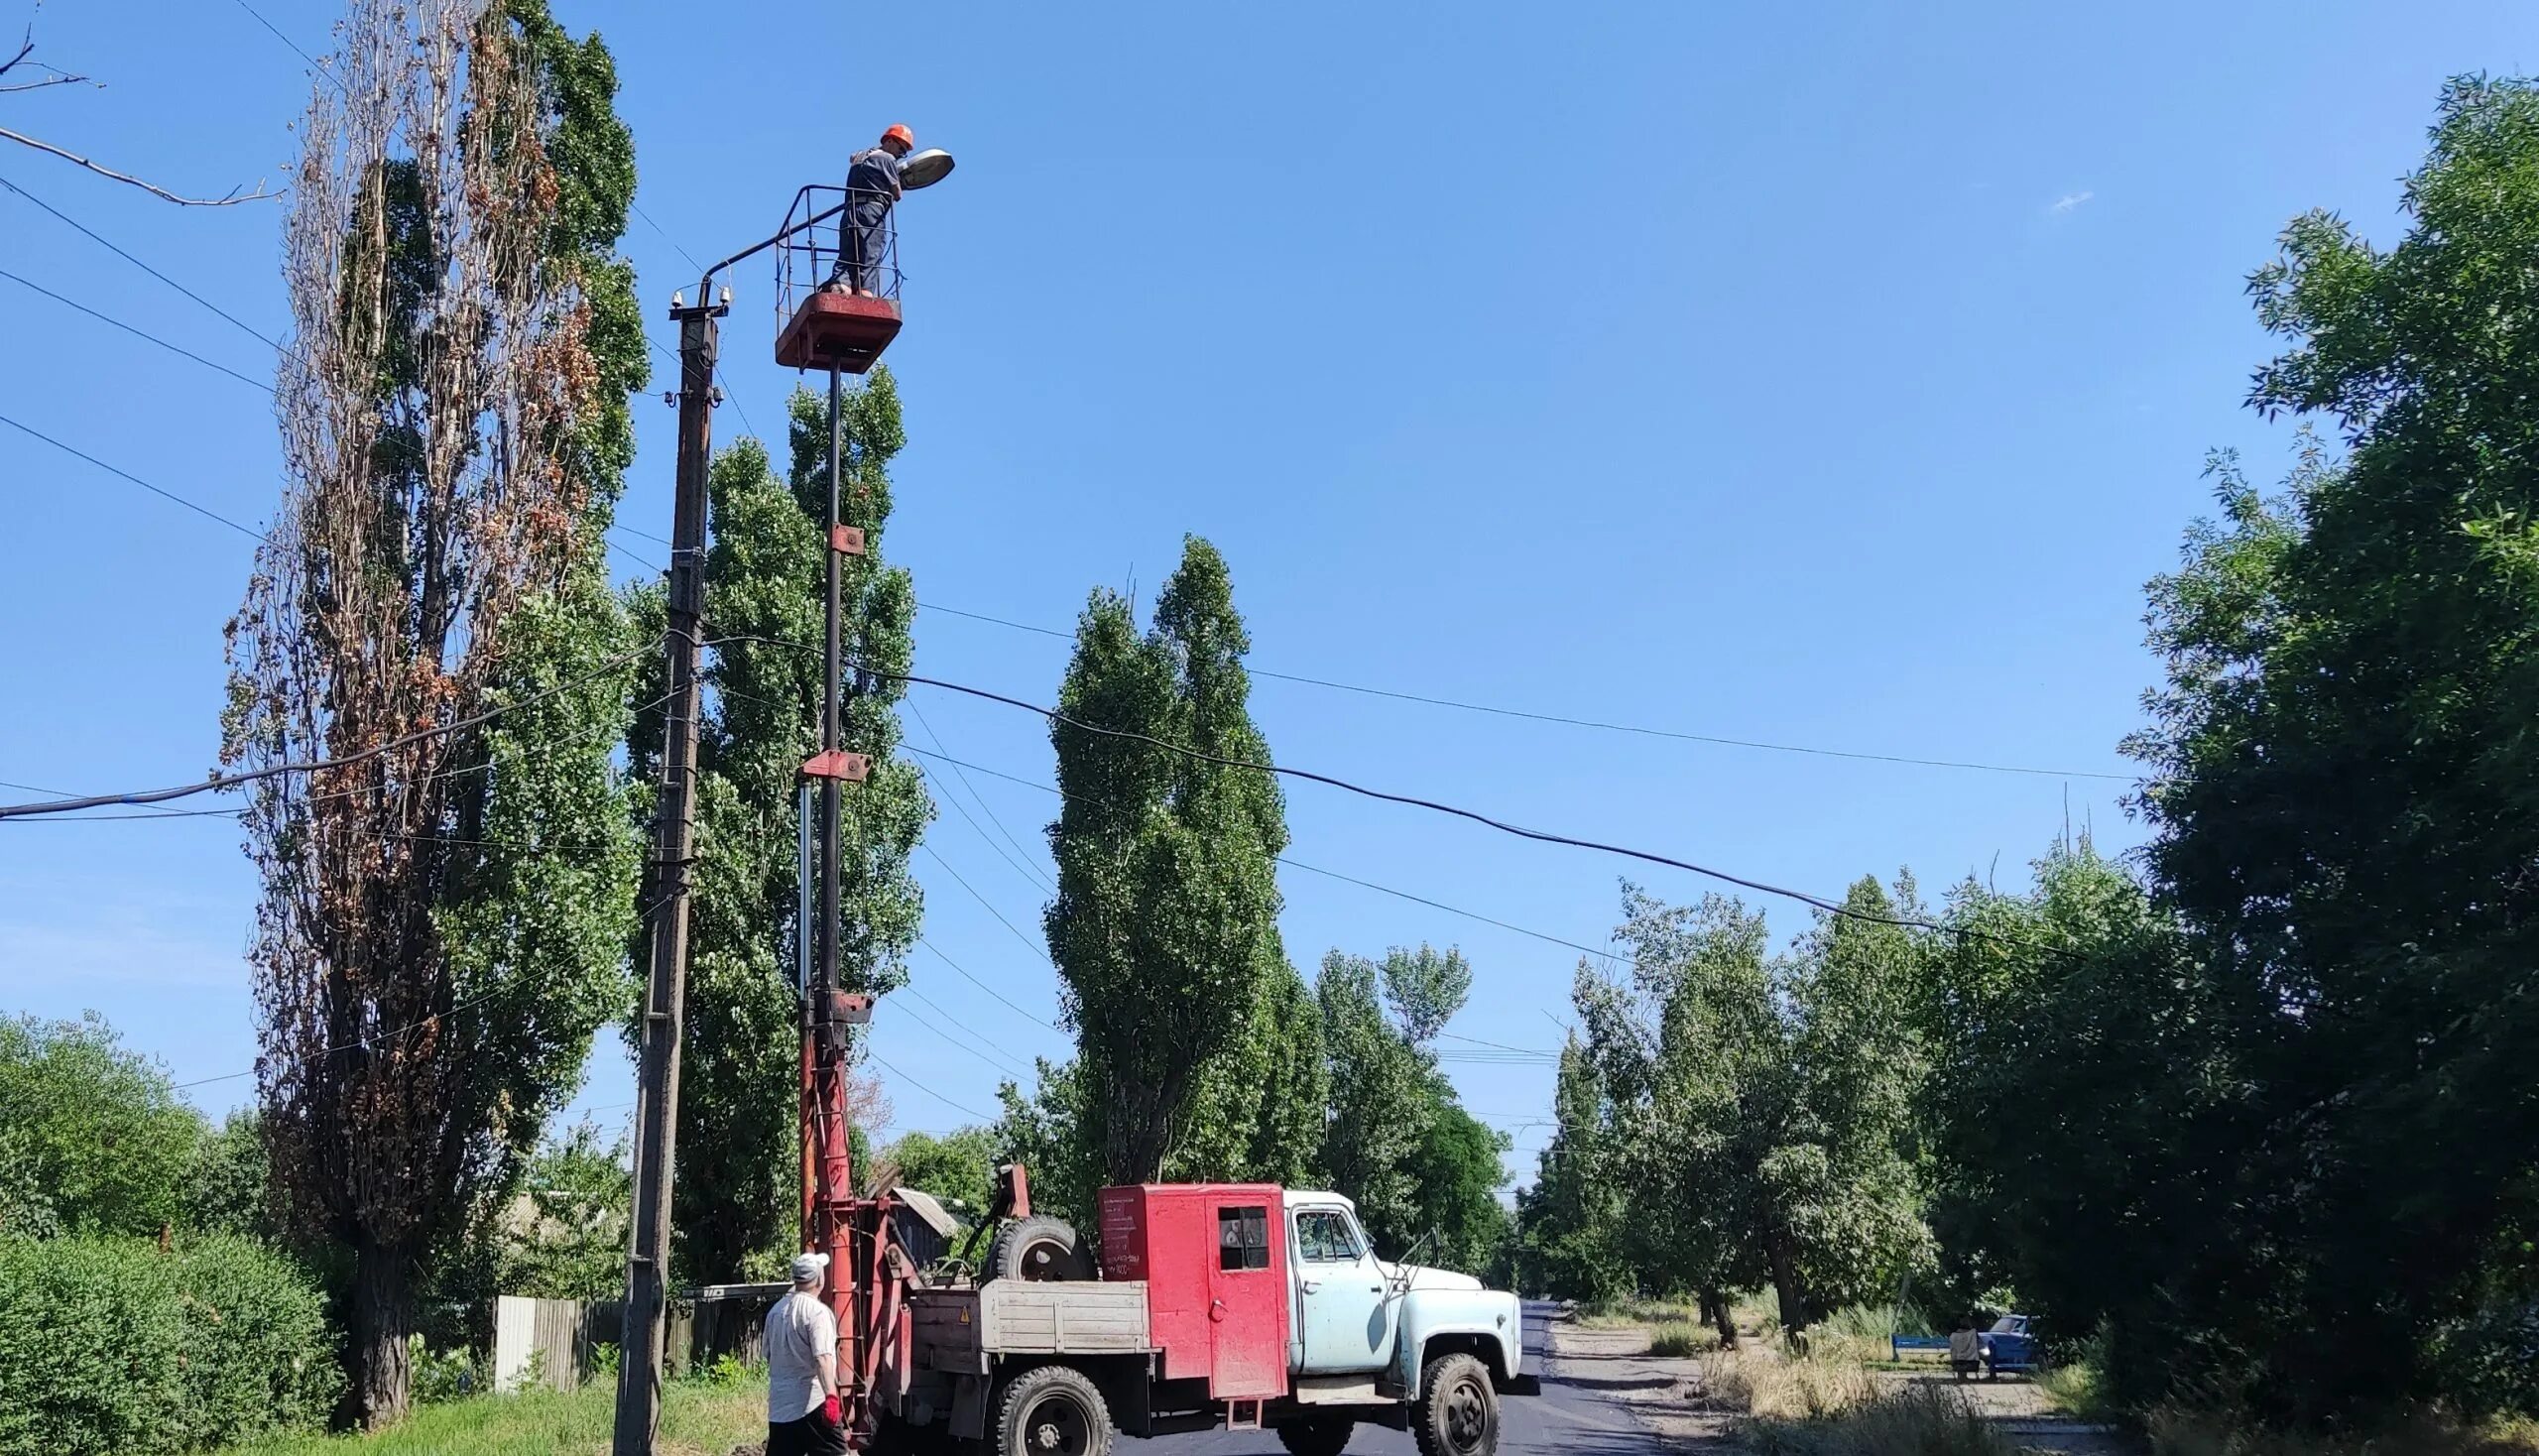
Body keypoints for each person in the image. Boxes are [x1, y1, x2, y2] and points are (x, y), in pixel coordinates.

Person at [765, 1252, 846, 1456]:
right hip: (812, 1404)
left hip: (780, 1408)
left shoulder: (775, 1311)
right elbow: (822, 1357)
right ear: (820, 1279)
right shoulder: (817, 1312)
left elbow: (768, 1354)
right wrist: (831, 1397)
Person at [828, 124, 913, 298]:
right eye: (901, 149)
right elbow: (897, 194)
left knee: (848, 250)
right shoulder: (887, 159)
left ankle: (841, 285)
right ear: (889, 141)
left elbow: (852, 158)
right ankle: (865, 290)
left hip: (850, 210)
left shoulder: (860, 156)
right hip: (871, 211)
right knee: (871, 249)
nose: (900, 154)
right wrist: (900, 183)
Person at [1947, 1318, 1983, 1383]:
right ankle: (1963, 1377)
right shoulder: (1971, 1334)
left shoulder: (1953, 1336)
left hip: (1957, 1356)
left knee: (1960, 1364)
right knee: (1964, 1364)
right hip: (1968, 1356)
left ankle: (1961, 1377)